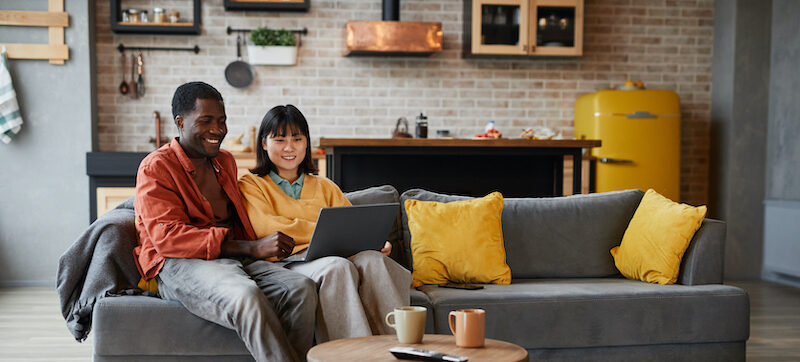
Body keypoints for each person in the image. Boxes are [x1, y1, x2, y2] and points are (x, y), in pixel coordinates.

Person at [133, 82, 316, 362]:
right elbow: (168, 239)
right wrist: (251, 248)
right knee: (246, 296)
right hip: (177, 262)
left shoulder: (225, 162)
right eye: (206, 121)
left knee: (300, 289)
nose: (218, 129)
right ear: (181, 122)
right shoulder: (156, 167)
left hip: (230, 261)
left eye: (222, 121)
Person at [238, 105, 412, 342]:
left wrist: (373, 243)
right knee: (337, 267)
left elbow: (351, 226)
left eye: (297, 139)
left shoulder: (325, 186)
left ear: (306, 143)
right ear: (264, 143)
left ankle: (398, 346)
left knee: (374, 261)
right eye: (279, 139)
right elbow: (268, 229)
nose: (289, 147)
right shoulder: (251, 184)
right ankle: (352, 355)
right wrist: (324, 229)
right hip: (287, 262)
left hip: (332, 254)